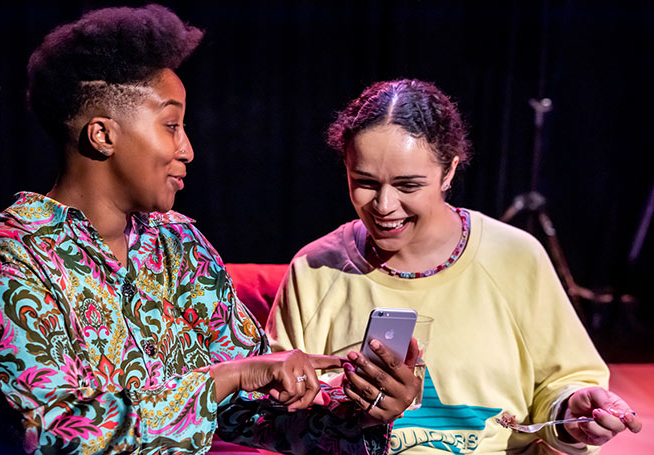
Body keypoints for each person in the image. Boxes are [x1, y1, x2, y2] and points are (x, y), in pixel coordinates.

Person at [0, 6, 419, 454]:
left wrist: (362, 412)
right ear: (103, 135)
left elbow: (250, 407)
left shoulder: (178, 244)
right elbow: (54, 435)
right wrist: (228, 377)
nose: (188, 149)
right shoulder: (9, 257)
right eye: (171, 125)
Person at [266, 79, 642, 454]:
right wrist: (349, 410)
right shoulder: (316, 269)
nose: (383, 205)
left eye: (408, 185)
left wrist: (572, 412)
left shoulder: (515, 257)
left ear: (449, 172)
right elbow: (276, 414)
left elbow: (565, 381)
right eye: (364, 182)